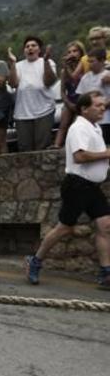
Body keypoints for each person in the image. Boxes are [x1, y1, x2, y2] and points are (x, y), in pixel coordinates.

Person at [25, 91, 110, 289]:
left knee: (105, 225)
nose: (102, 108)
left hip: (92, 187)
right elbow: (79, 157)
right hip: (77, 185)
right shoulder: (79, 128)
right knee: (65, 227)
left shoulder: (94, 127)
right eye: (97, 105)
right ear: (84, 108)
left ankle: (106, 273)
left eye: (103, 105)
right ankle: (35, 261)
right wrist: (106, 153)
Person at [7, 36, 57, 152]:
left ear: (39, 49)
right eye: (27, 46)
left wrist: (46, 62)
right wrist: (13, 64)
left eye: (33, 46)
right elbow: (13, 84)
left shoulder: (48, 62)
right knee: (25, 149)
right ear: (24, 50)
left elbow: (49, 82)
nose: (30, 48)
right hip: (22, 114)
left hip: (44, 111)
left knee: (43, 148)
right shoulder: (19, 65)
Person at [54, 41, 87, 148]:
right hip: (70, 100)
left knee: (80, 124)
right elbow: (62, 91)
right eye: (69, 52)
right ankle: (57, 144)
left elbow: (76, 80)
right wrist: (68, 103)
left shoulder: (85, 67)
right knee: (63, 123)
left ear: (81, 52)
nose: (72, 54)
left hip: (83, 100)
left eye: (75, 51)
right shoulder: (64, 71)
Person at [75, 48, 110, 143]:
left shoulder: (107, 76)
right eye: (88, 61)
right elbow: (81, 98)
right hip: (89, 121)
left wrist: (100, 107)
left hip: (106, 120)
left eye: (92, 61)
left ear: (102, 61)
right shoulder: (86, 77)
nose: (89, 64)